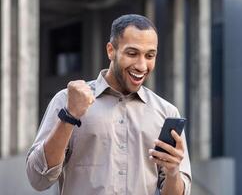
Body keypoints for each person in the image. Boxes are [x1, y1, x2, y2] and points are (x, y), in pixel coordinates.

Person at [26, 14, 191, 195]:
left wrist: (173, 171)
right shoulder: (67, 101)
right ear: (111, 51)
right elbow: (38, 179)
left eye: (150, 55)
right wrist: (69, 116)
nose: (142, 65)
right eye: (132, 53)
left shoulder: (166, 112)